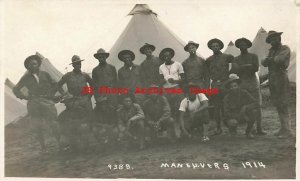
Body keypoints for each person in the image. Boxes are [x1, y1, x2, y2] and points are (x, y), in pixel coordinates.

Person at [13, 54, 61, 153]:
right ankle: (43, 148)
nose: (33, 66)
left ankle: (60, 144)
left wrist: (51, 94)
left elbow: (55, 84)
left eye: (35, 64)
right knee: (37, 125)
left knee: (54, 123)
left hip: (47, 101)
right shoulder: (25, 78)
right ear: (28, 67)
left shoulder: (45, 74)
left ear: (38, 64)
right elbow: (15, 89)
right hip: (34, 104)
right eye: (31, 64)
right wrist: (24, 97)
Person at [231, 37, 266, 135]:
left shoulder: (254, 56)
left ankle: (260, 128)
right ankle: (252, 128)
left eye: (244, 45)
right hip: (242, 84)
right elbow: (235, 70)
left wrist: (242, 67)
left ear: (247, 46)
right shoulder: (236, 58)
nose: (243, 46)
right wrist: (247, 66)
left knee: (257, 105)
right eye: (241, 45)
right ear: (238, 47)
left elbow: (255, 68)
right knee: (246, 106)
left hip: (253, 83)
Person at [261, 31, 292, 138]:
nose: (273, 41)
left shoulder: (285, 48)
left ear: (279, 39)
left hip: (281, 76)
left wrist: (269, 60)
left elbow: (280, 60)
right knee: (278, 103)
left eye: (275, 38)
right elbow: (263, 62)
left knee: (283, 103)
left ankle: (287, 130)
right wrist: (269, 60)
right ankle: (283, 128)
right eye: (271, 40)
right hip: (273, 77)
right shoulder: (271, 50)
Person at [57, 55, 94, 133]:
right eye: (76, 64)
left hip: (85, 99)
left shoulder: (85, 75)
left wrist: (89, 96)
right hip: (74, 100)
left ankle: (91, 136)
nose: (78, 65)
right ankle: (77, 136)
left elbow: (93, 86)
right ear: (73, 65)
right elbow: (58, 85)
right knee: (76, 118)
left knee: (90, 117)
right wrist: (64, 94)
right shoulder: (67, 76)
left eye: (79, 63)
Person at [206, 38, 234, 135]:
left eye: (216, 46)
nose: (215, 48)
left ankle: (230, 126)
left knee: (227, 105)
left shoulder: (227, 57)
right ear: (211, 48)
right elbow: (207, 73)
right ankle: (218, 128)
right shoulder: (209, 60)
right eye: (213, 46)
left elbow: (234, 65)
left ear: (220, 47)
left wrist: (230, 75)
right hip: (214, 84)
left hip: (225, 83)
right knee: (216, 107)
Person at [159, 48, 185, 119]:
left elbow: (184, 78)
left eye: (168, 56)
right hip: (166, 89)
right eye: (165, 56)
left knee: (181, 104)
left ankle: (181, 120)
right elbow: (161, 78)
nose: (166, 58)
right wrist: (162, 81)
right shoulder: (161, 67)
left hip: (176, 87)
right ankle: (171, 122)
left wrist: (175, 81)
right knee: (168, 105)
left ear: (171, 56)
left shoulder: (178, 64)